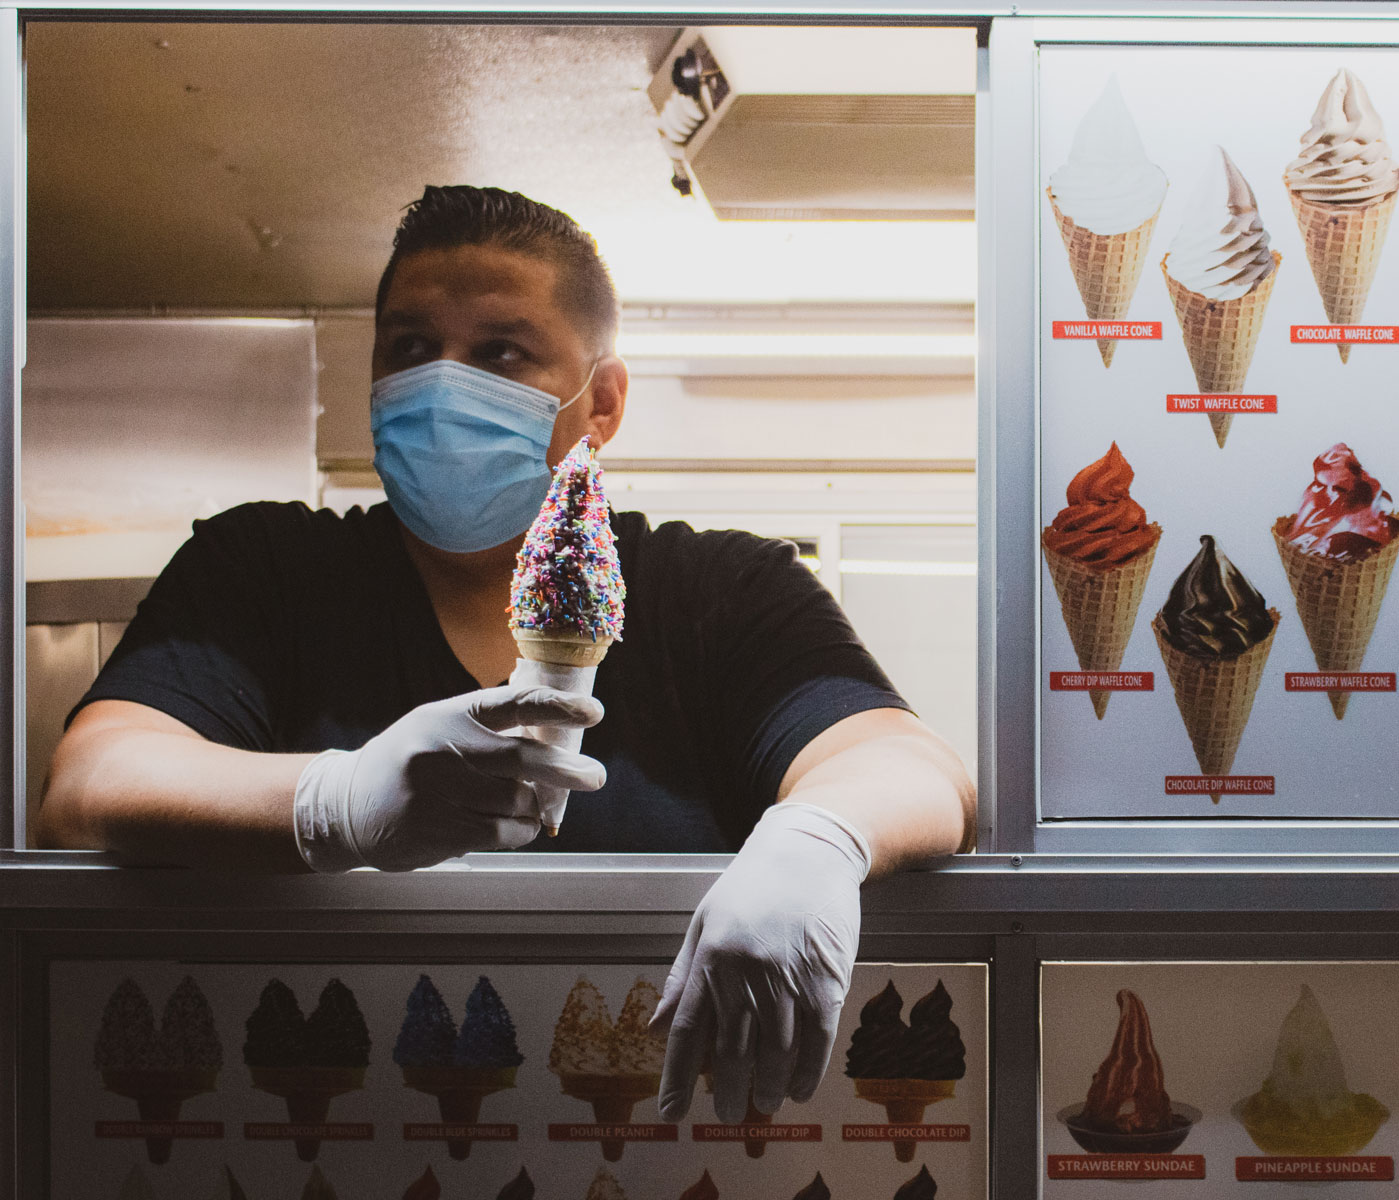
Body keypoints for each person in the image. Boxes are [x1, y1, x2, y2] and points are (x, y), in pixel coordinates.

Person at [37, 185, 976, 1125]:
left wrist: (819, 840)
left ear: (600, 400)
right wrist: (338, 804)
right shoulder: (269, 570)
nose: (442, 385)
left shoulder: (721, 589)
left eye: (499, 353)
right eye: (409, 349)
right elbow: (92, 782)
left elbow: (910, 765)